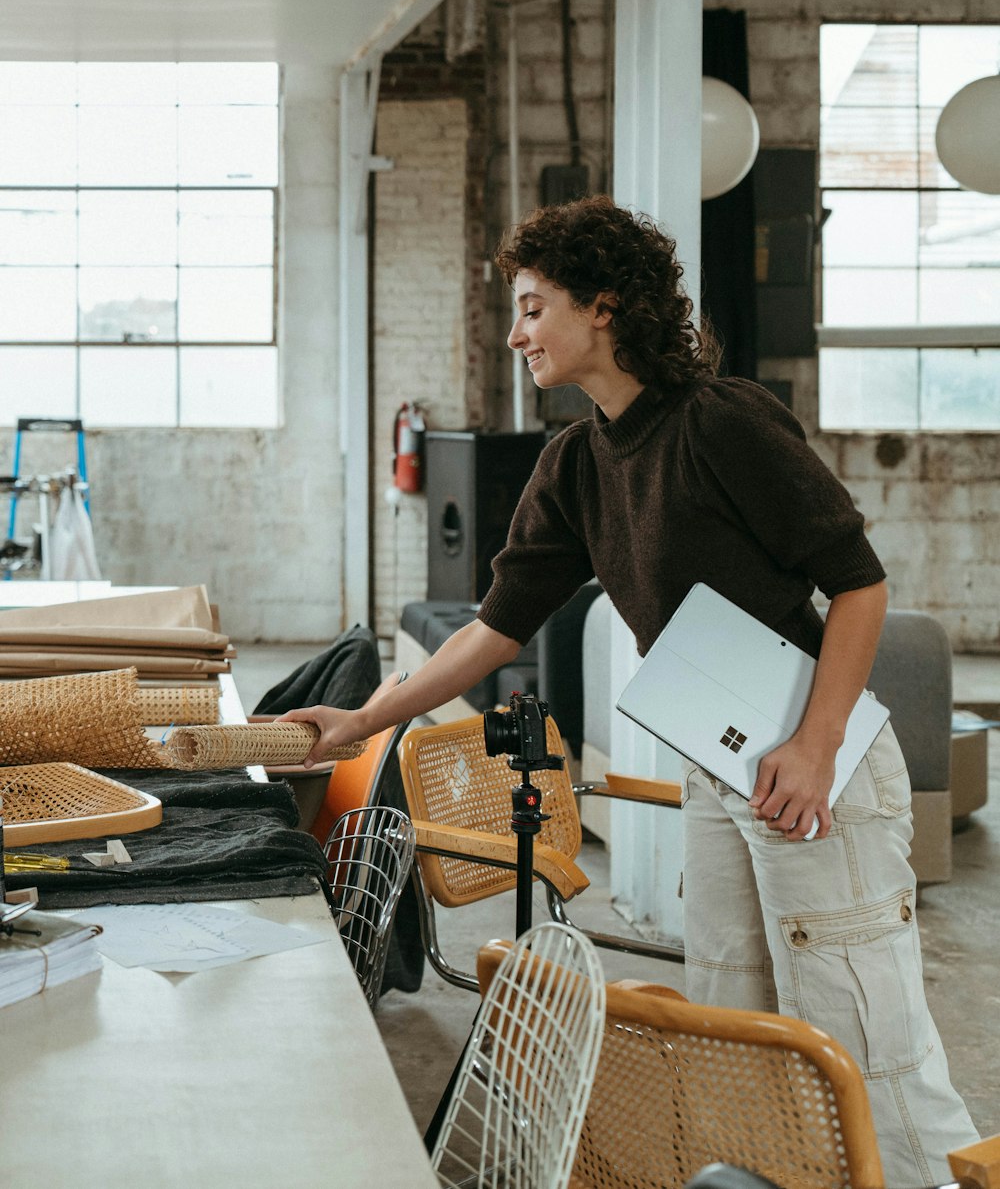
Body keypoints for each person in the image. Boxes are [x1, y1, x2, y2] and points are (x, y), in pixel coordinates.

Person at [283, 194, 978, 1181]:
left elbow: (858, 584)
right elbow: (494, 625)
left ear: (602, 307)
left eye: (532, 306)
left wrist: (815, 747)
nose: (516, 332)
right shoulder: (576, 461)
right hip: (721, 762)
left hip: (814, 760)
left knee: (869, 1045)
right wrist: (362, 717)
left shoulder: (718, 422)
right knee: (741, 1030)